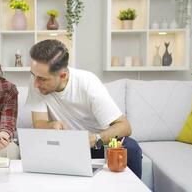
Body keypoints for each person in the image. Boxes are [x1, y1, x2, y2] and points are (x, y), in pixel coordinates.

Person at [25, 39, 142, 178]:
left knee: (132, 148)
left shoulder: (88, 83)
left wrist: (94, 139)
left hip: (96, 145)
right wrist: (51, 125)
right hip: (63, 146)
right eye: (34, 75)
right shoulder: (37, 81)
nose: (36, 83)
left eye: (42, 79)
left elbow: (124, 126)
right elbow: (39, 123)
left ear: (63, 76)